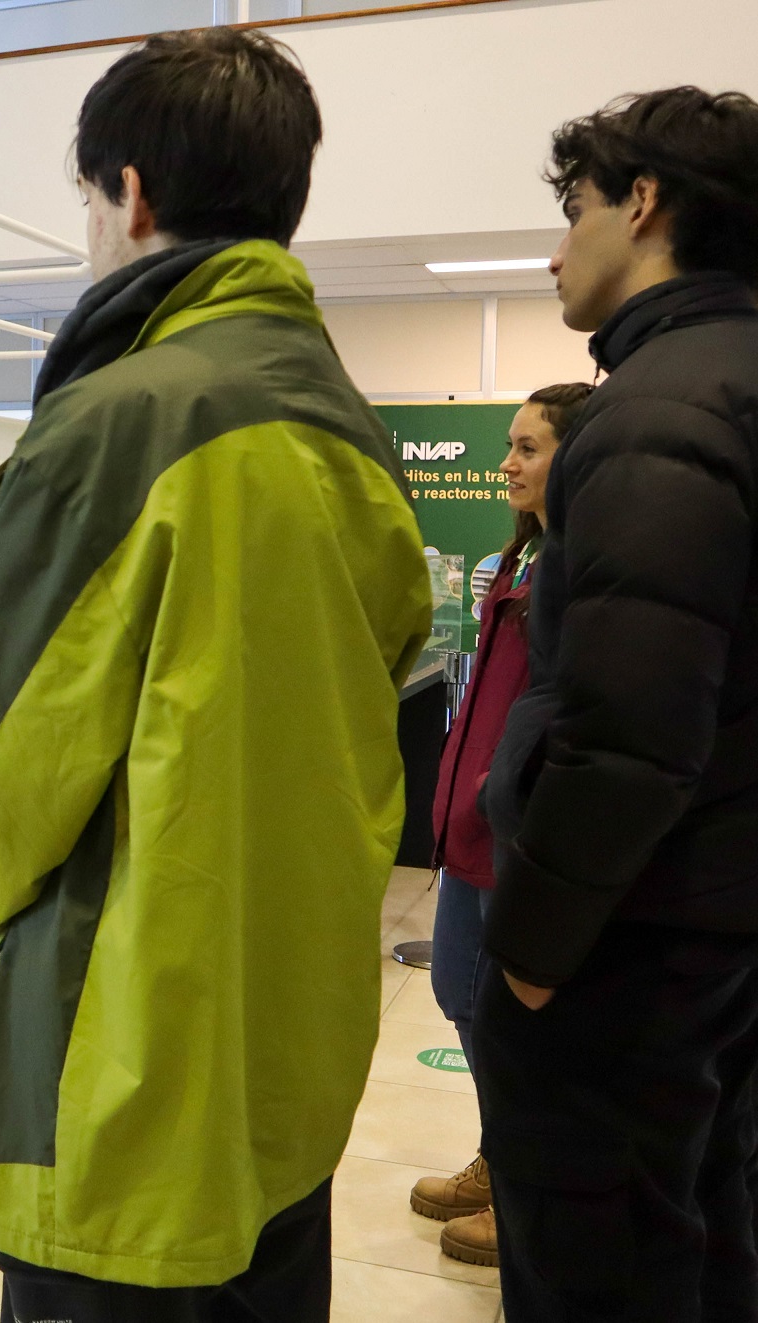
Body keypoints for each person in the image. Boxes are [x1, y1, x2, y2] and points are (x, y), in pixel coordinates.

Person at [0, 28, 433, 1323]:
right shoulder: (355, 436)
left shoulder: (124, 416)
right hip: (291, 1050)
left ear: (129, 194)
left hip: (128, 1059)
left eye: (86, 201)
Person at [474, 87, 758, 1322]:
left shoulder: (657, 414)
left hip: (633, 944)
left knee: (602, 1260)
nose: (556, 248)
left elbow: (631, 734)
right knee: (699, 1226)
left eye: (574, 211)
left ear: (643, 206)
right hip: (708, 921)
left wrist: (532, 954)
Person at [408, 381, 593, 1268]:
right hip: (467, 832)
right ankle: (500, 1151)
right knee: (459, 996)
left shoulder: (586, 565)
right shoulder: (516, 560)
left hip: (518, 835)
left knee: (515, 1021)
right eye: (508, 446)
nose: (506, 462)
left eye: (528, 448)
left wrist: (507, 787)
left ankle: (527, 1185)